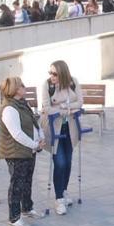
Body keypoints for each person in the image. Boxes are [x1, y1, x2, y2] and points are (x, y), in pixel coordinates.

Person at [0, 76, 43, 226]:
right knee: (17, 184)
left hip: (29, 150)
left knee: (27, 180)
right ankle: (14, 217)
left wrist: (40, 136)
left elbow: (33, 122)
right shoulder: (9, 109)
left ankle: (27, 208)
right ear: (16, 89)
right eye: (22, 85)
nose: (25, 87)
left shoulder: (22, 104)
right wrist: (34, 144)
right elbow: (16, 134)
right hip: (16, 153)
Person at [41, 60, 83, 215]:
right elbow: (46, 109)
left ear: (63, 73)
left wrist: (63, 107)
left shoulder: (73, 82)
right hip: (54, 128)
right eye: (50, 73)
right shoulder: (47, 86)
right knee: (59, 162)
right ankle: (59, 199)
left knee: (68, 161)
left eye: (55, 73)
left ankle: (64, 191)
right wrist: (66, 110)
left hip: (70, 128)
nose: (51, 76)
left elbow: (80, 102)